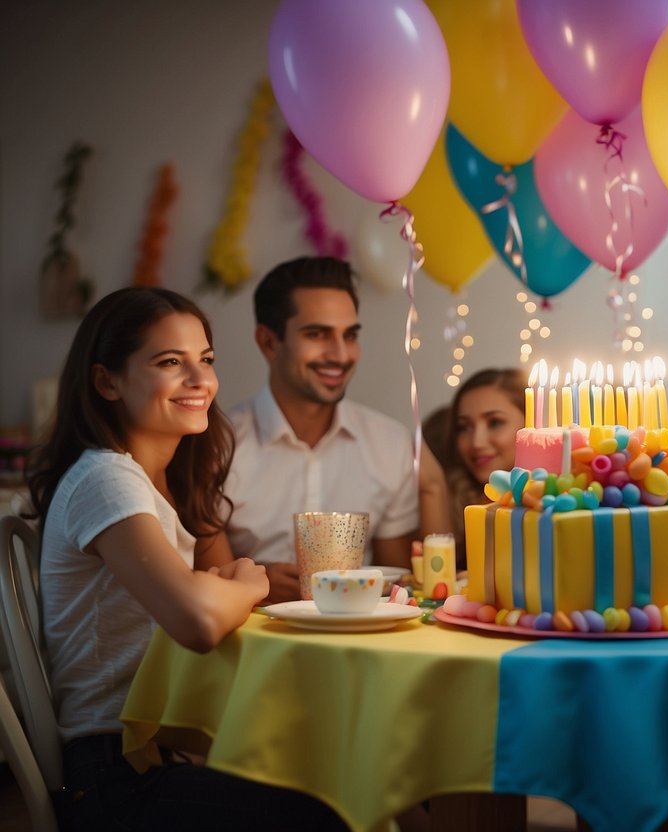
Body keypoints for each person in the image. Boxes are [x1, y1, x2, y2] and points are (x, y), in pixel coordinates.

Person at [28, 287, 346, 830]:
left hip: (148, 751)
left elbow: (204, 596)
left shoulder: (156, 482)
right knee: (329, 812)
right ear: (107, 381)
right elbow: (198, 620)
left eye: (206, 360)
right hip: (113, 780)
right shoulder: (108, 478)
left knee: (336, 771)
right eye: (171, 362)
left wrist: (225, 585)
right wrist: (253, 580)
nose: (201, 381)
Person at [205, 256, 448, 603]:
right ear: (269, 342)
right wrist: (253, 586)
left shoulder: (389, 444)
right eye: (317, 334)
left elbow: (395, 588)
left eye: (349, 335)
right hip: (245, 645)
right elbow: (198, 584)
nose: (340, 354)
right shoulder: (217, 445)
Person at [442, 367, 527, 565]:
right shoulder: (452, 502)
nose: (476, 443)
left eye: (495, 422)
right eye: (464, 427)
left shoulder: (557, 500)